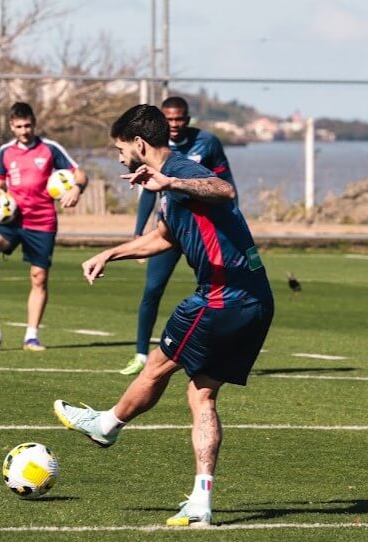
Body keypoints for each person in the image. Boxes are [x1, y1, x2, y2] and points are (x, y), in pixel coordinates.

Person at [53, 104, 274, 527]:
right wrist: (110, 253)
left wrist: (171, 181)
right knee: (201, 395)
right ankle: (201, 501)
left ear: (138, 144)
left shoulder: (180, 169)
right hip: (252, 298)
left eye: (120, 148)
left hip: (221, 296)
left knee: (156, 366)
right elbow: (163, 237)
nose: (118, 157)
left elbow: (225, 191)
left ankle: (106, 424)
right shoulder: (164, 184)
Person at [120, 96, 237, 376]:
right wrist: (139, 232)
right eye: (169, 119)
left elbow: (225, 186)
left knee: (216, 289)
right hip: (170, 229)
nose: (175, 124)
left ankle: (216, 355)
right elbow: (149, 191)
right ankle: (140, 353)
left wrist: (232, 225)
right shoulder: (154, 147)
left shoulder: (207, 143)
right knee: (152, 289)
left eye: (180, 119)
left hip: (203, 231)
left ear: (187, 118)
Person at [0, 102, 88, 351]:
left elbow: (80, 174)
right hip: (12, 220)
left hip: (42, 222)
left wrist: (77, 189)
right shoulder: (5, 152)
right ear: (11, 126)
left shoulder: (50, 148)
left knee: (39, 278)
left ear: (34, 123)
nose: (24, 130)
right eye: (19, 126)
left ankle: (31, 336)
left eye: (28, 125)